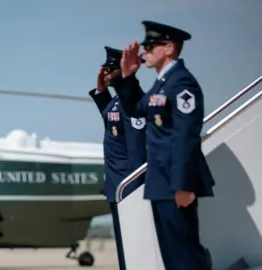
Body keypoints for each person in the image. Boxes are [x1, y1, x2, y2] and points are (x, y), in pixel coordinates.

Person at [116, 20, 215, 269]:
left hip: (175, 184)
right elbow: (136, 109)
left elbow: (186, 137)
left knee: (185, 256)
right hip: (161, 182)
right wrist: (127, 77)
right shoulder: (162, 84)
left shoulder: (182, 83)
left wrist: (183, 185)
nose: (144, 51)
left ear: (169, 48)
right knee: (171, 257)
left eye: (150, 45)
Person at [88, 46, 147, 270]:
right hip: (116, 187)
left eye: (110, 69)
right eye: (104, 69)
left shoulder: (133, 102)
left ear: (123, 70)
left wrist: (134, 192)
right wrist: (102, 92)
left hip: (128, 188)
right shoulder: (118, 102)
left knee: (136, 249)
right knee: (125, 249)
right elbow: (112, 120)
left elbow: (137, 150)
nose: (105, 73)